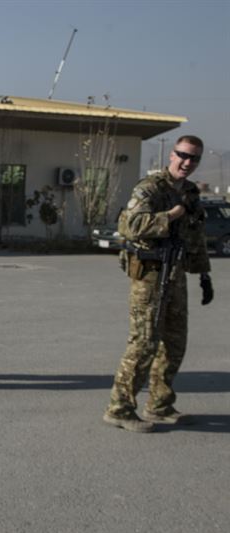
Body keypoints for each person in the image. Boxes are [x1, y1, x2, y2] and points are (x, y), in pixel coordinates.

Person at [104, 136, 213, 432]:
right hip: (149, 276)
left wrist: (204, 275)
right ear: (172, 155)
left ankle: (160, 404)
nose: (187, 162)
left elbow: (195, 235)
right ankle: (120, 408)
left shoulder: (190, 192)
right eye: (183, 155)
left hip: (176, 274)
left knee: (175, 343)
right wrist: (171, 215)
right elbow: (129, 226)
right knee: (144, 343)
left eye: (194, 159)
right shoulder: (150, 188)